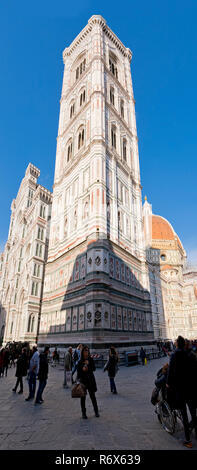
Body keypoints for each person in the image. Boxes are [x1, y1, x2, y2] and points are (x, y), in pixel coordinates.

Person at [166, 335, 197, 448]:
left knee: (184, 414)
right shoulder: (191, 354)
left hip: (180, 388)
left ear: (177, 344)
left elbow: (170, 370)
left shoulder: (175, 355)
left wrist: (168, 383)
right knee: (193, 412)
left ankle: (188, 440)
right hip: (191, 387)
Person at [77, 345, 99, 419]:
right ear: (83, 352)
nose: (87, 352)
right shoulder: (80, 362)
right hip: (83, 382)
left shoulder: (91, 359)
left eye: (87, 350)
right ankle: (83, 413)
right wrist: (82, 370)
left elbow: (94, 368)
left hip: (90, 381)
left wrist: (88, 366)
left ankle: (96, 411)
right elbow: (78, 373)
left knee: (93, 397)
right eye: (85, 350)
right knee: (83, 398)